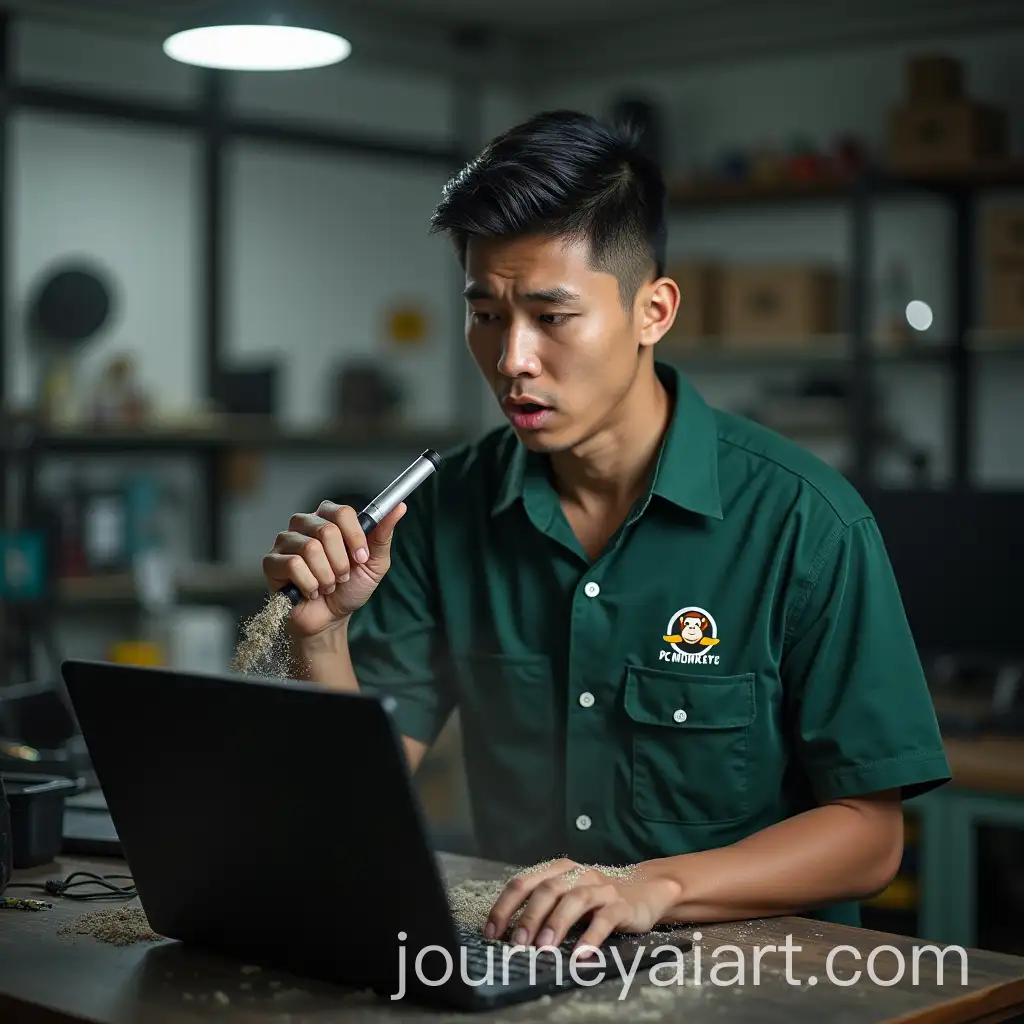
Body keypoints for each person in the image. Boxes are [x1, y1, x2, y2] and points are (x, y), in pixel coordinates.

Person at [262, 110, 951, 955]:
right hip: (520, 969)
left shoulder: (807, 522)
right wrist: (323, 639)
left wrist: (652, 886)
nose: (512, 358)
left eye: (552, 317)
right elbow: (355, 813)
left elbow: (869, 838)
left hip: (757, 983)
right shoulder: (442, 516)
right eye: (486, 314)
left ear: (653, 311)